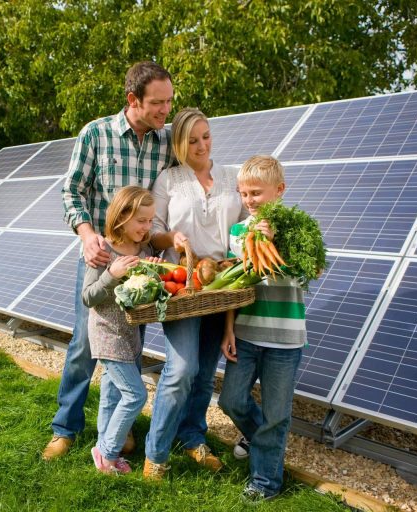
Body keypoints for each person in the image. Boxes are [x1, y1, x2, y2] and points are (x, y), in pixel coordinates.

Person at [43, 61, 175, 460]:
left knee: (131, 342)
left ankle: (119, 430)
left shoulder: (166, 143)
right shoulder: (97, 134)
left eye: (169, 102)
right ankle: (66, 427)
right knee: (85, 344)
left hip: (141, 260)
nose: (165, 111)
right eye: (157, 103)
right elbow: (72, 192)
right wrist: (86, 235)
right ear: (132, 99)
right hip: (101, 256)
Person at [143, 107, 248, 479]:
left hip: (219, 285)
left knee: (204, 374)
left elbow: (241, 229)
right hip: (184, 284)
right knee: (181, 369)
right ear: (178, 144)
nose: (201, 145)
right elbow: (153, 231)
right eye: (192, 140)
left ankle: (192, 438)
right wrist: (171, 237)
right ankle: (155, 452)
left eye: (206, 136)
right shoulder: (168, 180)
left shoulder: (231, 177)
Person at [218, 155, 307, 503]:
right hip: (246, 333)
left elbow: (303, 276)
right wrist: (228, 329)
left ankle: (265, 481)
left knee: (276, 414)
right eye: (243, 193)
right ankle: (261, 442)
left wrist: (275, 243)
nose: (249, 200)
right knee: (231, 400)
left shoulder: (299, 230)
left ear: (279, 190)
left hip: (285, 339)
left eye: (256, 192)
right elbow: (237, 286)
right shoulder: (239, 233)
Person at [83, 186, 161, 474]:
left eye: (151, 220)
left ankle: (105, 450)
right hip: (106, 334)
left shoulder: (145, 249)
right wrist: (111, 275)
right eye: (141, 221)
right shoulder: (104, 250)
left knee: (113, 394)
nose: (147, 227)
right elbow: (88, 296)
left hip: (130, 335)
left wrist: (153, 272)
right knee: (136, 395)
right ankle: (106, 452)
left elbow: (142, 292)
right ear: (122, 217)